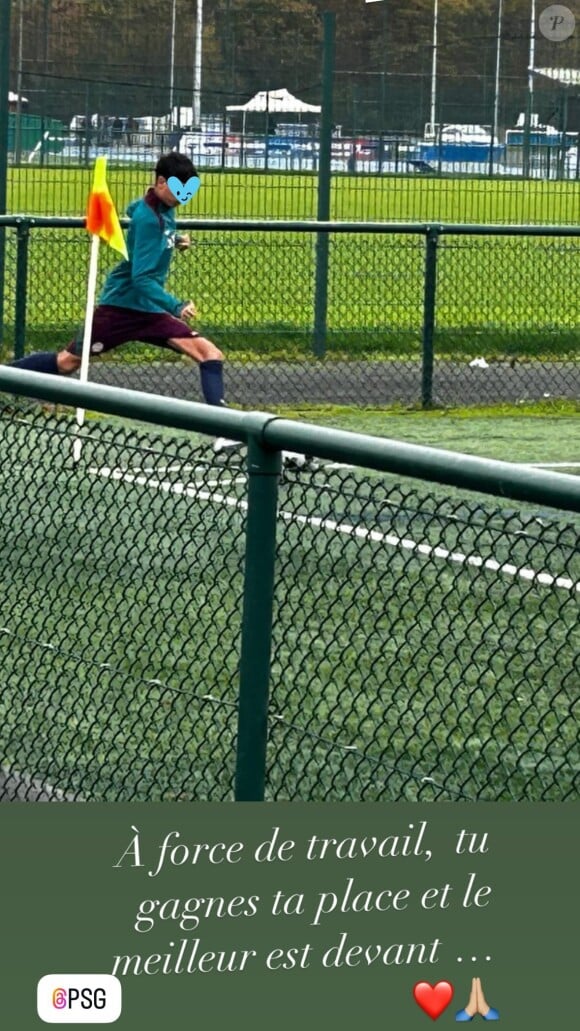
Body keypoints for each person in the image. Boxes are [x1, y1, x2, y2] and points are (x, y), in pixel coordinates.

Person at [7, 152, 228, 420]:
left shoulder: (163, 210)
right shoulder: (149, 219)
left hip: (149, 311)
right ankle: (5, 375)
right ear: (160, 182)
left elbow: (133, 209)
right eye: (179, 189)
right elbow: (142, 278)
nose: (184, 196)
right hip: (120, 309)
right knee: (66, 363)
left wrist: (174, 239)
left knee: (209, 353)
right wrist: (176, 305)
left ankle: (223, 428)